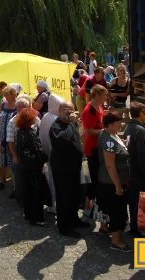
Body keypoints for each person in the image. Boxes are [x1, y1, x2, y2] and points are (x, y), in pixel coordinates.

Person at [50, 101, 87, 237]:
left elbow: (78, 138)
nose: (69, 111)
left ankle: (74, 220)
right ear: (59, 111)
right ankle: (64, 227)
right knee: (64, 197)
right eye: (65, 109)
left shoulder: (72, 124)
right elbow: (63, 139)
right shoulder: (56, 126)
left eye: (71, 109)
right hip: (62, 169)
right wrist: (72, 123)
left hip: (74, 167)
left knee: (74, 195)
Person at [97, 110, 131, 252]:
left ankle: (104, 228)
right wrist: (118, 186)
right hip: (111, 183)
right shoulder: (108, 141)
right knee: (118, 210)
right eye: (118, 122)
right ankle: (116, 241)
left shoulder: (109, 134)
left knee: (108, 207)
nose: (121, 124)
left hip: (110, 181)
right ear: (110, 124)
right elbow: (110, 165)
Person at [123, 101, 145, 237]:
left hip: (131, 170)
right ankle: (138, 228)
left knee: (134, 201)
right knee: (141, 202)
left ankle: (134, 226)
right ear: (141, 113)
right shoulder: (140, 130)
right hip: (140, 173)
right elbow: (144, 156)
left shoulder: (128, 128)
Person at [16, 107, 48, 226]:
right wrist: (46, 159)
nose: (36, 118)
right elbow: (39, 151)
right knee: (38, 192)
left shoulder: (20, 132)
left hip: (24, 166)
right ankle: (37, 218)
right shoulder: (31, 134)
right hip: (34, 167)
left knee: (27, 190)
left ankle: (28, 213)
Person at [81, 84, 108, 216]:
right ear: (96, 95)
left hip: (98, 146)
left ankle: (92, 205)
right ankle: (87, 206)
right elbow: (89, 131)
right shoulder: (89, 110)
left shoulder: (99, 106)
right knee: (93, 178)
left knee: (96, 177)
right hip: (92, 148)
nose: (106, 97)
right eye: (104, 95)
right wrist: (105, 131)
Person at [38, 92, 64, 213]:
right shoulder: (55, 119)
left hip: (47, 153)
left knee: (51, 179)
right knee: (55, 181)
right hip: (55, 155)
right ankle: (56, 204)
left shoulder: (46, 116)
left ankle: (53, 203)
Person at [0, 84, 18, 191]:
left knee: (13, 159)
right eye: (4, 94)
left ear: (13, 94)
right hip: (2, 137)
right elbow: (0, 118)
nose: (4, 97)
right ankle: (1, 180)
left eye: (6, 94)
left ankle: (15, 185)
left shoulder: (18, 105)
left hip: (13, 137)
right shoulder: (3, 104)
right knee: (2, 159)